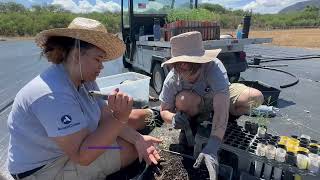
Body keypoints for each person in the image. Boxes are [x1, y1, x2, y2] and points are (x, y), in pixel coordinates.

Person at [7, 17, 162, 180]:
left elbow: (105, 116)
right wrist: (120, 119)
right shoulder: (53, 94)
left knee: (139, 122)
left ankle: (154, 120)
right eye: (97, 59)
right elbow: (82, 156)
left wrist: (139, 138)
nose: (101, 66)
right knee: (130, 149)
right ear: (76, 54)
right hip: (45, 168)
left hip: (70, 146)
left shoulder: (84, 80)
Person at [159, 31, 264, 179]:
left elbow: (221, 106)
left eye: (195, 72)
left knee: (255, 97)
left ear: (202, 61)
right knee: (183, 99)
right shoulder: (172, 79)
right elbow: (164, 110)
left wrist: (213, 144)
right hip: (196, 105)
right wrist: (174, 118)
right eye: (185, 73)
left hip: (217, 99)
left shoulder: (214, 66)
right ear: (177, 67)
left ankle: (226, 121)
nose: (191, 78)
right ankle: (196, 122)